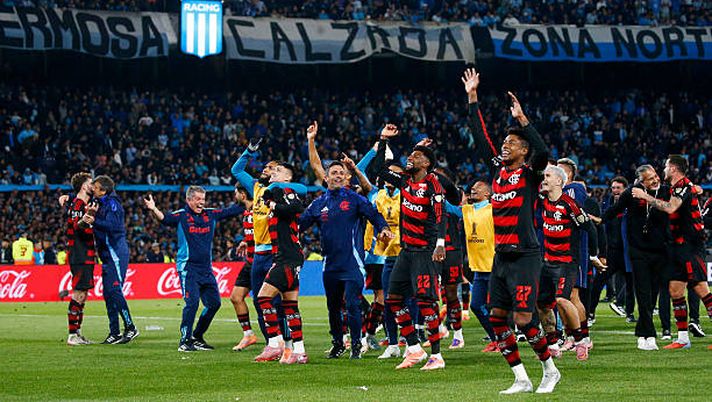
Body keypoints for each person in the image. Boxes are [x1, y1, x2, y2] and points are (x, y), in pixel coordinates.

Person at [463, 68, 559, 394]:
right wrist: (472, 97)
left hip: (526, 257)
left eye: (512, 143)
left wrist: (524, 121)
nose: (505, 146)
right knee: (497, 317)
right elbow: (479, 136)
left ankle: (550, 370)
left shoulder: (531, 174)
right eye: (504, 142)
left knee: (522, 319)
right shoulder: (498, 171)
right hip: (500, 257)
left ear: (523, 151)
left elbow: (544, 152)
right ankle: (520, 377)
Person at [370, 124, 447, 371]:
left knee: (425, 301)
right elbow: (379, 168)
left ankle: (436, 355)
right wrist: (383, 140)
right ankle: (413, 348)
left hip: (426, 251)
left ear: (426, 164)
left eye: (417, 156)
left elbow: (440, 215)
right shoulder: (404, 181)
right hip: (406, 250)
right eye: (410, 156)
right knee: (393, 298)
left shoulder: (433, 183)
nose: (410, 158)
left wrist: (440, 243)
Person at [299, 161, 392, 359]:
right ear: (326, 178)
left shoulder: (355, 199)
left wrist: (383, 228)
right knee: (333, 307)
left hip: (353, 264)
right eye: (334, 173)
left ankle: (357, 344)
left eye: (342, 173)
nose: (339, 176)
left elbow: (374, 215)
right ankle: (338, 343)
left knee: (352, 305)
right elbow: (299, 224)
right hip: (330, 265)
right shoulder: (318, 204)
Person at [231, 137, 308, 356]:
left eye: (272, 168)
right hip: (259, 254)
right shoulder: (256, 188)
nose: (267, 170)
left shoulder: (284, 191)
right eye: (266, 168)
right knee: (260, 301)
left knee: (278, 301)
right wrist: (250, 151)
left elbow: (302, 188)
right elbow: (236, 170)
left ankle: (287, 344)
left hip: (279, 252)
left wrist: (275, 186)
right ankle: (271, 343)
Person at [144, 186, 244, 351]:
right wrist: (154, 208)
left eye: (203, 199)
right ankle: (184, 341)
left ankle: (197, 336)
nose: (201, 203)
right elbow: (165, 218)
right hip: (188, 268)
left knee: (214, 304)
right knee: (192, 303)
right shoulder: (182, 216)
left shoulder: (210, 214)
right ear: (189, 200)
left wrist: (248, 196)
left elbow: (232, 211)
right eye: (198, 199)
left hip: (206, 269)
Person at [631, 155, 712, 350]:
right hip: (678, 246)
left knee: (702, 290)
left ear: (674, 169)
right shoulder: (680, 187)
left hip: (691, 245)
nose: (664, 169)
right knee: (675, 290)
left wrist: (646, 197)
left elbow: (671, 207)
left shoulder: (683, 185)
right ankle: (683, 338)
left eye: (666, 166)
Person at [597, 166, 671, 350]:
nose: (655, 180)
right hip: (638, 251)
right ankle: (649, 334)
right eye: (649, 179)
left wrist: (646, 197)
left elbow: (670, 208)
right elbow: (615, 209)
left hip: (661, 250)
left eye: (655, 176)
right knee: (643, 292)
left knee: (654, 292)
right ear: (640, 181)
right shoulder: (630, 193)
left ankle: (642, 332)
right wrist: (598, 220)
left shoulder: (665, 191)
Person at [538, 165, 602, 361]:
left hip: (567, 262)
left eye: (547, 175)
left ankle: (581, 341)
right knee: (542, 304)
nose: (544, 178)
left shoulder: (570, 205)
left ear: (558, 181)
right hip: (548, 261)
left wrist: (593, 256)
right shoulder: (542, 200)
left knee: (562, 299)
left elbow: (590, 229)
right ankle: (552, 343)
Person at [252, 163, 308, 364]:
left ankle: (274, 344)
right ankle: (299, 351)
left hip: (287, 257)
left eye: (278, 171)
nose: (273, 173)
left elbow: (297, 207)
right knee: (290, 305)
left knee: (263, 298)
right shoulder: (275, 192)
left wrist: (273, 204)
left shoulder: (283, 189)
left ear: (286, 178)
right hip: (289, 256)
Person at [84, 176, 139, 345]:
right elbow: (82, 195)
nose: (93, 188)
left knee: (114, 291)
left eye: (96, 186)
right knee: (107, 294)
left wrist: (95, 221)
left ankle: (130, 327)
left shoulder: (113, 203)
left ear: (103, 191)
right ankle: (114, 332)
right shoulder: (99, 200)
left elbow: (113, 226)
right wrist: (67, 198)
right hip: (107, 255)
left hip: (116, 252)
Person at [445, 180, 497, 353]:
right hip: (478, 268)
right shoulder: (466, 211)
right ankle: (496, 339)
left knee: (498, 308)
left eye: (479, 187)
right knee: (476, 305)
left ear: (488, 194)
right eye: (472, 187)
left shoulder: (493, 210)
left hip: (495, 266)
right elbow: (447, 207)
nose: (473, 189)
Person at [65, 172, 97, 346]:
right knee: (78, 293)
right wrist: (86, 219)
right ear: (84, 186)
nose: (93, 186)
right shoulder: (78, 205)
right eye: (91, 183)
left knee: (83, 295)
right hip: (80, 255)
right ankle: (72, 335)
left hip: (86, 254)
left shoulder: (80, 203)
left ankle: (77, 333)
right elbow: (78, 226)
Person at [230, 184, 258, 352]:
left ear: (242, 194)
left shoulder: (258, 210)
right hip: (249, 261)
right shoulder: (247, 212)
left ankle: (280, 340)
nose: (234, 195)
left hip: (261, 262)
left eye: (236, 192)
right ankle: (248, 335)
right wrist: (245, 242)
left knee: (265, 302)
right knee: (236, 297)